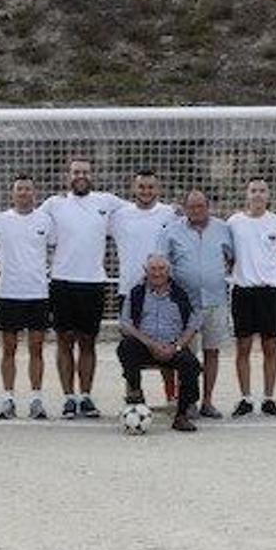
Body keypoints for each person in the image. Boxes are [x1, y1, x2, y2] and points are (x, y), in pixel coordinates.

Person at [41, 156, 121, 419]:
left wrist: (172, 210)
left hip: (93, 283)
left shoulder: (106, 202)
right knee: (64, 341)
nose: (81, 176)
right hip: (62, 282)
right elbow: (26, 221)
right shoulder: (53, 204)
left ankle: (85, 397)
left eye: (85, 172)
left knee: (88, 342)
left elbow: (140, 210)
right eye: (76, 172)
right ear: (68, 175)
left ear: (92, 175)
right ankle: (68, 398)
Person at [157, 189, 235, 418]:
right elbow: (161, 262)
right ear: (184, 208)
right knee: (186, 356)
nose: (196, 211)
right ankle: (188, 401)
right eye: (191, 207)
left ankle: (207, 402)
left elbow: (232, 257)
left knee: (212, 352)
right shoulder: (171, 231)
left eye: (200, 206)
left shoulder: (223, 228)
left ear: (208, 206)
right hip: (185, 305)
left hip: (215, 300)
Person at [109, 169, 179, 404]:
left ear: (157, 189)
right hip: (129, 291)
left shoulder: (170, 214)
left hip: (163, 291)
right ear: (133, 188)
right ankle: (134, 393)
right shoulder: (119, 215)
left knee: (166, 339)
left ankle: (171, 393)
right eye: (141, 187)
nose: (146, 191)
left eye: (150, 187)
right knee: (130, 346)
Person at [0, 175, 54, 420]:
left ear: (34, 193)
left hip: (38, 293)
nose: (24, 193)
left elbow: (56, 247)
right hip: (9, 293)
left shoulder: (46, 220)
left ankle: (36, 399)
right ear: (12, 193)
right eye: (19, 189)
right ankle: (8, 399)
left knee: (36, 349)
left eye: (28, 189)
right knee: (9, 349)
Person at [227, 178, 276, 417]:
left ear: (268, 195)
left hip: (269, 292)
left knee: (270, 346)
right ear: (246, 195)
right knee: (243, 347)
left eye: (262, 191)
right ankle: (245, 398)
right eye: (253, 190)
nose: (257, 194)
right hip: (243, 291)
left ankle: (268, 398)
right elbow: (227, 252)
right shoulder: (234, 222)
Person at [117, 255, 203, 432]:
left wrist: (176, 346)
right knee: (126, 348)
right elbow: (126, 324)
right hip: (145, 346)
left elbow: (193, 324)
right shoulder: (136, 293)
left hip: (173, 346)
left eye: (161, 269)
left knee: (192, 365)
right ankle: (136, 395)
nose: (157, 273)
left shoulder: (181, 294)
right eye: (153, 269)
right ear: (146, 271)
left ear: (168, 271)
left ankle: (181, 415)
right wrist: (151, 344)